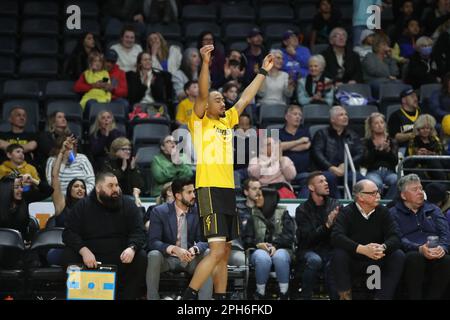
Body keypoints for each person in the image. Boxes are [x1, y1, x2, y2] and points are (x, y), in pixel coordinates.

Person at [183, 44, 274, 300]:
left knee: (223, 250)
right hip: (209, 189)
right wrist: (204, 63)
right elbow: (202, 92)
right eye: (218, 99)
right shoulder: (199, 121)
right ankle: (187, 296)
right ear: (206, 106)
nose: (223, 101)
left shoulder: (227, 120)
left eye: (223, 98)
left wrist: (263, 73)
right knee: (214, 251)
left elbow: (245, 97)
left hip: (227, 190)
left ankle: (220, 300)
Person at [62, 172, 147, 300]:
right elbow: (69, 233)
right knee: (68, 254)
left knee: (141, 257)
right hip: (91, 255)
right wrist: (83, 250)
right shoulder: (83, 206)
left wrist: (132, 247)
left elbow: (139, 231)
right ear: (98, 188)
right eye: (110, 186)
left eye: (117, 185)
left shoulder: (128, 204)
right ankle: (82, 297)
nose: (115, 189)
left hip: (121, 254)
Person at [331, 179, 405, 300]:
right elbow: (336, 236)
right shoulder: (346, 212)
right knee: (339, 254)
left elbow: (396, 236)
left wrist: (383, 247)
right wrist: (362, 249)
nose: (378, 195)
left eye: (378, 192)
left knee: (398, 254)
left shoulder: (383, 211)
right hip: (354, 258)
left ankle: (382, 297)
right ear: (361, 197)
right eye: (373, 193)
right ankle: (344, 295)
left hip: (377, 257)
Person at [146, 178, 212, 300]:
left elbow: (205, 241)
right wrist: (174, 249)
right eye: (189, 192)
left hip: (189, 258)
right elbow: (153, 242)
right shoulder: (159, 212)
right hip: (167, 259)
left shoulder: (198, 211)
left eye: (194, 192)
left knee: (208, 254)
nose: (193, 195)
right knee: (153, 255)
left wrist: (195, 249)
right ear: (178, 195)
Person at [390, 174, 450, 300]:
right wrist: (419, 248)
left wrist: (443, 247)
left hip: (436, 249)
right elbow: (397, 238)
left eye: (421, 188)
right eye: (414, 189)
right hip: (412, 252)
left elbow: (445, 232)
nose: (420, 192)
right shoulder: (393, 213)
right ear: (403, 196)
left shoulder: (433, 209)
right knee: (415, 258)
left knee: (446, 259)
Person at [243, 183, 296, 299]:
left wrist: (275, 246)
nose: (257, 198)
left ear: (268, 199)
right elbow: (247, 239)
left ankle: (284, 293)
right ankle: (260, 292)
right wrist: (258, 244)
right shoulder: (253, 214)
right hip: (259, 250)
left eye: (260, 196)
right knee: (263, 258)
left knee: (279, 257)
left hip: (282, 248)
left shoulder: (283, 213)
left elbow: (289, 236)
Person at [295, 171, 340, 300]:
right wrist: (326, 226)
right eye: (321, 181)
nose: (326, 183)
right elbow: (307, 239)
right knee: (315, 260)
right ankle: (306, 297)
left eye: (326, 181)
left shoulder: (335, 205)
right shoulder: (302, 210)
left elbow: (339, 234)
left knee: (336, 259)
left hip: (329, 249)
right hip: (308, 250)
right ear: (311, 188)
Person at [46, 136, 87, 265]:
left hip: (83, 249)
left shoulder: (90, 208)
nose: (80, 189)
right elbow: (54, 176)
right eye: (76, 186)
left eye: (82, 187)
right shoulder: (62, 205)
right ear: (69, 190)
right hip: (62, 248)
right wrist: (62, 152)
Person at [0, 174, 53, 268]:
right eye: (16, 187)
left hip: (22, 248)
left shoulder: (25, 198)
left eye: (21, 186)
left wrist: (33, 180)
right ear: (6, 189)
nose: (21, 190)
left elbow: (49, 190)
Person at [311, 105, 364, 198]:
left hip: (347, 170)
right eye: (341, 115)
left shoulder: (352, 135)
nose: (345, 117)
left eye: (346, 114)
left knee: (362, 181)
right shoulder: (322, 133)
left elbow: (360, 153)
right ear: (332, 119)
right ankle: (338, 205)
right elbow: (317, 153)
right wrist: (331, 167)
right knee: (329, 178)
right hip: (327, 170)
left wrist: (345, 165)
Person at [362, 112, 398, 200]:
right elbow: (365, 162)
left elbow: (395, 161)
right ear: (371, 126)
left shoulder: (392, 141)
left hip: (390, 172)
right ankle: (378, 204)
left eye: (382, 122)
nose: (379, 125)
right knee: (375, 183)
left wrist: (388, 150)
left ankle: (387, 204)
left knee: (398, 180)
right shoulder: (366, 142)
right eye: (376, 123)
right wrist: (376, 150)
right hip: (373, 172)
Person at [406, 114, 447, 181]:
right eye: (422, 128)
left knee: (433, 161)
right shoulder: (413, 141)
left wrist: (430, 154)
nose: (425, 130)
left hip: (437, 167)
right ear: (418, 129)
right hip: (420, 168)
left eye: (427, 128)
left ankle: (444, 183)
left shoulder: (435, 140)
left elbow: (443, 156)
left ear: (431, 129)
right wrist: (417, 156)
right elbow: (407, 163)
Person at [388, 87, 421, 152]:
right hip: (404, 147)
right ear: (404, 100)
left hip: (422, 146)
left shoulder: (422, 112)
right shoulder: (395, 116)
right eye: (412, 97)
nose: (416, 99)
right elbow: (395, 136)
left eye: (416, 96)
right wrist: (412, 135)